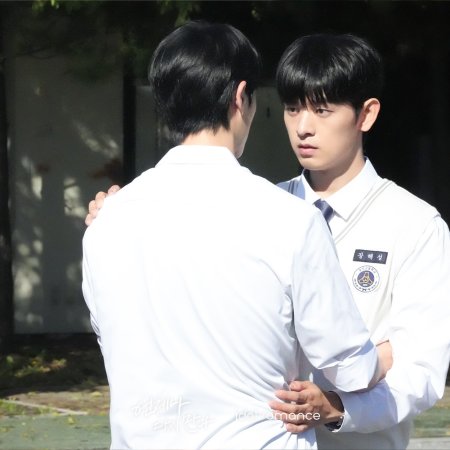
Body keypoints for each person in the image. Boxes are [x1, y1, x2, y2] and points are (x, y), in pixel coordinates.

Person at [82, 22, 390, 449]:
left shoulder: (106, 222)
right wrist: (386, 355)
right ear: (241, 97)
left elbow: (112, 338)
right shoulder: (291, 220)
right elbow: (350, 369)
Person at [268, 33, 450, 450]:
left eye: (322, 110)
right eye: (293, 108)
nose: (303, 127)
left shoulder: (415, 225)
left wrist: (337, 407)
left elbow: (420, 369)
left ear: (366, 115)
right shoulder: (262, 210)